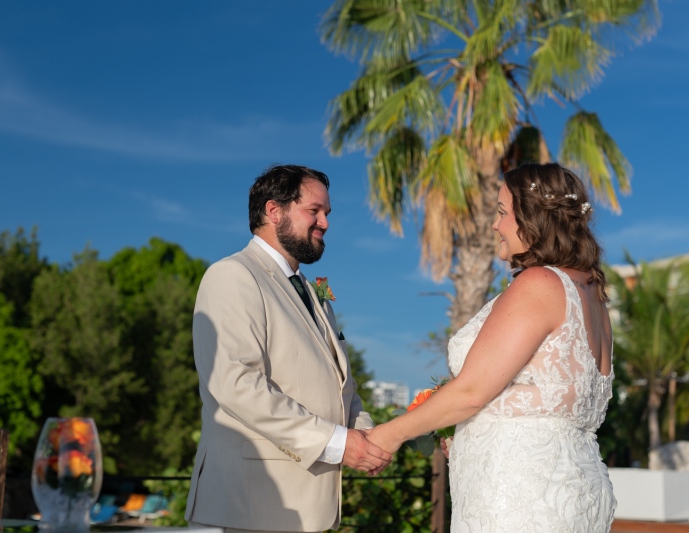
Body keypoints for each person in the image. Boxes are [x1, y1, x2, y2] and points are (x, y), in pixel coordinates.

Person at [367, 162, 616, 532]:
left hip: (521, 495)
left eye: (502, 213)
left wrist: (387, 435)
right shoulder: (591, 294)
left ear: (531, 218)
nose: (495, 225)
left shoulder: (540, 283)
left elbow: (471, 391)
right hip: (571, 490)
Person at [185, 164, 392, 533]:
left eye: (327, 213)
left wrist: (369, 438)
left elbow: (342, 386)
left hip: (309, 510)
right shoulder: (233, 275)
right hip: (250, 507)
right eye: (314, 211)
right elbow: (236, 384)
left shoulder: (315, 295)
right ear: (273, 211)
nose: (325, 222)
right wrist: (337, 443)